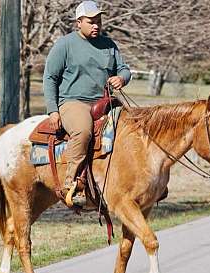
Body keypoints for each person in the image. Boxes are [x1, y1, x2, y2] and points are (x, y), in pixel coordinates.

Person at [43, 0, 131, 207]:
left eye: (98, 21)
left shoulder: (109, 44)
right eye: (91, 21)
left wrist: (122, 79)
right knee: (83, 132)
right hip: (74, 102)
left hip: (105, 102)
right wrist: (53, 111)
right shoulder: (65, 44)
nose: (96, 25)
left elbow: (124, 69)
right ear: (78, 22)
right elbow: (50, 78)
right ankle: (71, 184)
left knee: (134, 127)